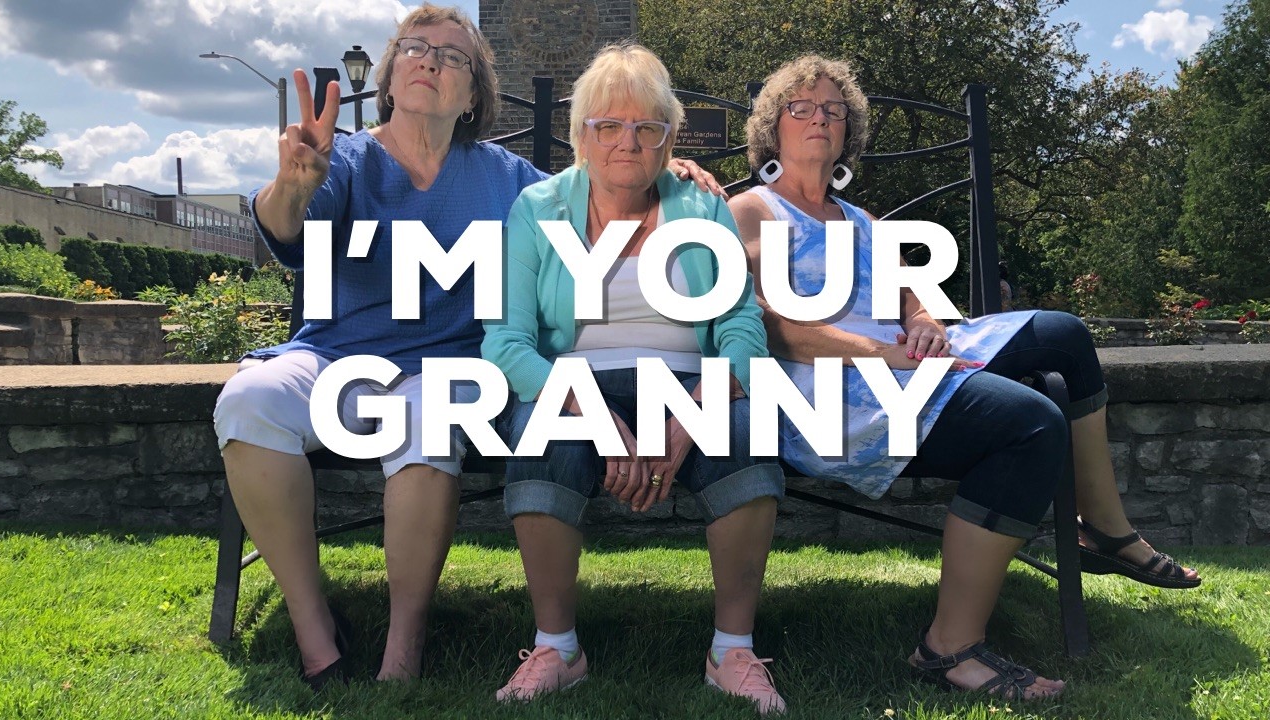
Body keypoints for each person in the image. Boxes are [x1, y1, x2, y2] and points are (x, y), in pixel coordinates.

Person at [212, 4, 721, 690]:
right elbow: (284, 222)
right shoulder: (345, 158)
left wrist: (669, 169)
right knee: (249, 401)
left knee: (427, 424)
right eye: (416, 50)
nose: (430, 61)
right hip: (333, 358)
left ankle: (403, 645)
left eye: (452, 57)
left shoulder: (506, 178)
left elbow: (603, 196)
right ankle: (316, 634)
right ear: (391, 78)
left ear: (474, 93)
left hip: (445, 370)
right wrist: (292, 184)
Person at [728, 55, 1200, 701]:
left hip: (897, 361)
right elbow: (766, 326)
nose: (819, 118)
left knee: (1062, 332)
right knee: (1031, 422)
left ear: (848, 132)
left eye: (833, 110)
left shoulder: (861, 222)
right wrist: (881, 351)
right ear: (772, 129)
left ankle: (1106, 529)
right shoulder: (752, 212)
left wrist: (925, 327)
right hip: (828, 390)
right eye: (801, 108)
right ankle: (947, 649)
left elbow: (914, 301)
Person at [482, 44, 787, 714]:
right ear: (580, 136)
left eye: (648, 128)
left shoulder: (703, 210)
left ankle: (732, 648)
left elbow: (740, 326)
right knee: (541, 434)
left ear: (669, 139)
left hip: (687, 381)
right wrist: (592, 410)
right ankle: (557, 648)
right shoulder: (539, 209)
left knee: (745, 428)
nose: (629, 141)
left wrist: (692, 419)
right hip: (573, 383)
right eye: (609, 126)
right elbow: (505, 344)